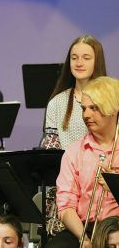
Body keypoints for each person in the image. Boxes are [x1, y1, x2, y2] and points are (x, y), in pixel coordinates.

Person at [46, 76, 119, 248]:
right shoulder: (74, 152)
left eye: (94, 108)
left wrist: (115, 185)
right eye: (84, 108)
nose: (86, 115)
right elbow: (66, 206)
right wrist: (83, 240)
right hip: (85, 227)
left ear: (113, 109)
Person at [43, 34, 107, 149]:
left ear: (97, 62)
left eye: (86, 58)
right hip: (66, 166)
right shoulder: (56, 102)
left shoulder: (111, 100)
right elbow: (51, 151)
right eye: (74, 58)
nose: (79, 63)